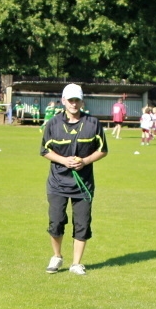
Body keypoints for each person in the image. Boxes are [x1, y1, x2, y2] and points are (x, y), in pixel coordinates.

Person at [40, 83, 108, 275]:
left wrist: (84, 161)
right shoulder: (53, 124)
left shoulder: (93, 123)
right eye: (70, 100)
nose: (74, 104)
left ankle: (76, 263)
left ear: (82, 101)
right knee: (56, 222)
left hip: (83, 185)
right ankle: (57, 256)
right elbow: (44, 150)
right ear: (64, 101)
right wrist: (63, 160)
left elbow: (102, 150)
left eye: (77, 100)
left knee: (82, 223)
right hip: (57, 183)